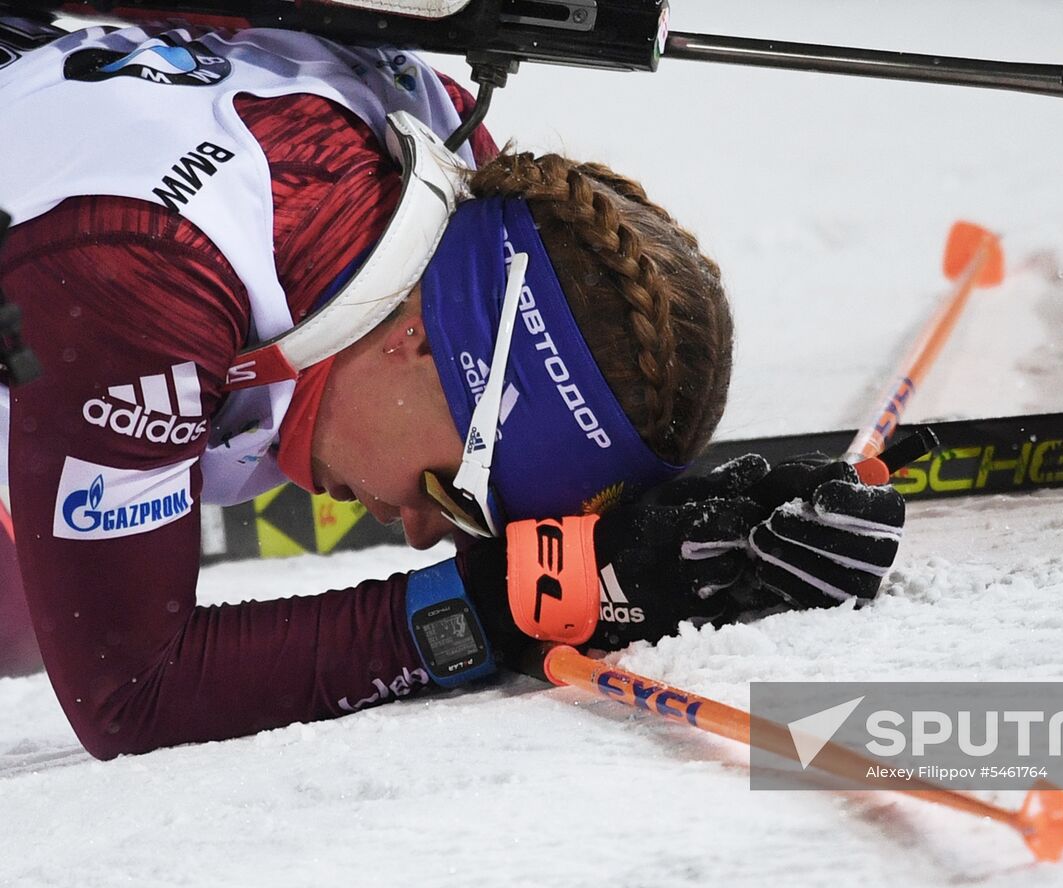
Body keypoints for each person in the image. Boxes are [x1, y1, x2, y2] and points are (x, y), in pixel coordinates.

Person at [0, 15, 906, 758]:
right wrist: (510, 607)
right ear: (424, 345)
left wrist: (633, 544)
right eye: (460, 491)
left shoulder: (450, 153)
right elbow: (132, 692)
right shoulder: (148, 273)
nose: (426, 528)